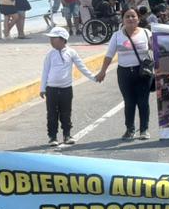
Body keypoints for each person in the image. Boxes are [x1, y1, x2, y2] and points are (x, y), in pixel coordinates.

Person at [97, 8, 153, 141]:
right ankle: (130, 129)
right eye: (127, 16)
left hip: (143, 73)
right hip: (124, 73)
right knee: (129, 102)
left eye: (133, 16)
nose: (130, 19)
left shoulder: (146, 33)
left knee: (143, 102)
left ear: (138, 19)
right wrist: (102, 71)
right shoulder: (116, 36)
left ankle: (144, 130)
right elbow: (109, 55)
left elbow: (157, 49)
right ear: (122, 20)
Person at [40, 26, 97, 146]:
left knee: (66, 112)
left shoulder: (71, 53)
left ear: (62, 39)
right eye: (50, 39)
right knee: (52, 114)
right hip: (51, 89)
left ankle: (67, 135)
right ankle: (52, 137)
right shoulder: (50, 54)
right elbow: (45, 71)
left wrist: (94, 77)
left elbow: (81, 66)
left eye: (53, 38)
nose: (51, 41)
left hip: (66, 89)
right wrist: (42, 88)